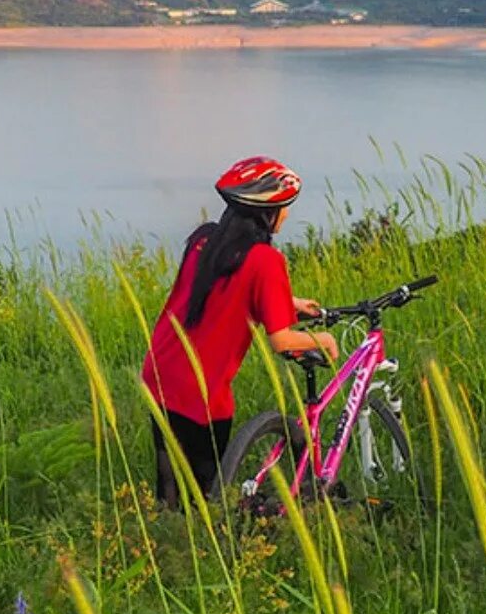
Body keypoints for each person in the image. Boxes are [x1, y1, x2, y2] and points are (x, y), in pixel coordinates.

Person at [141, 156, 338, 506]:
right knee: (204, 494)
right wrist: (323, 339)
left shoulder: (205, 240)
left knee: (169, 483)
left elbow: (221, 283)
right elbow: (281, 341)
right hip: (201, 390)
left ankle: (163, 540)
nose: (287, 215)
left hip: (160, 370)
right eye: (284, 208)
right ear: (266, 213)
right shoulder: (265, 260)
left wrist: (286, 300)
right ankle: (200, 550)